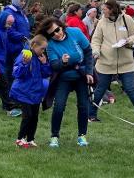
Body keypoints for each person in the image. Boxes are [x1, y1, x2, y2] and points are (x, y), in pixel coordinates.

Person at [89, 0, 134, 125]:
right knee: (100, 90)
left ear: (112, 10)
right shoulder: (101, 22)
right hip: (105, 63)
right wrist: (96, 52)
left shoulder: (127, 19)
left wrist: (128, 41)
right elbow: (96, 40)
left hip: (126, 64)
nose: (102, 11)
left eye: (104, 9)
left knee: (131, 90)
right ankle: (91, 115)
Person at [36, 17, 94, 147]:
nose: (56, 34)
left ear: (61, 26)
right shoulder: (50, 44)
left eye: (57, 29)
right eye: (52, 33)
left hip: (81, 75)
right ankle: (54, 136)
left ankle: (82, 136)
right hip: (64, 77)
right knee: (59, 106)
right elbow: (55, 66)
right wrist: (63, 62)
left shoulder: (76, 32)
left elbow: (88, 51)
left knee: (84, 106)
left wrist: (89, 72)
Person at [10, 35, 52, 148]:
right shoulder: (25, 56)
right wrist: (24, 63)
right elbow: (16, 74)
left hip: (35, 92)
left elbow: (46, 74)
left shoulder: (40, 57)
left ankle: (30, 139)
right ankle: (20, 138)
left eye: (45, 49)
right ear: (34, 45)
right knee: (27, 115)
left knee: (34, 117)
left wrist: (44, 63)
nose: (43, 51)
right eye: (42, 48)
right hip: (24, 91)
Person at [4, 0, 30, 88]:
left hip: (21, 46)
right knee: (11, 71)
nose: (23, 3)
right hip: (12, 48)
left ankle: (16, 93)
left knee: (19, 71)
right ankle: (9, 95)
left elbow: (24, 29)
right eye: (21, 1)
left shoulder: (21, 13)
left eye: (25, 1)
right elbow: (9, 30)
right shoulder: (9, 12)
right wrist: (22, 37)